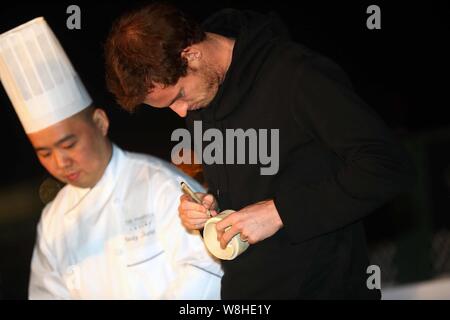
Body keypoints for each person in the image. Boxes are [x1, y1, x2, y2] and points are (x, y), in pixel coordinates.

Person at [104, 3, 415, 299]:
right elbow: (248, 188)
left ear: (191, 54)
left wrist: (279, 213)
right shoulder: (200, 100)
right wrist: (206, 212)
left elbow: (388, 166)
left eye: (179, 96)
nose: (182, 112)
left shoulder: (295, 75)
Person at [0, 17, 222, 299]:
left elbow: (207, 268)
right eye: (44, 152)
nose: (60, 161)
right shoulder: (53, 222)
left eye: (68, 144)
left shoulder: (161, 186)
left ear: (100, 122)